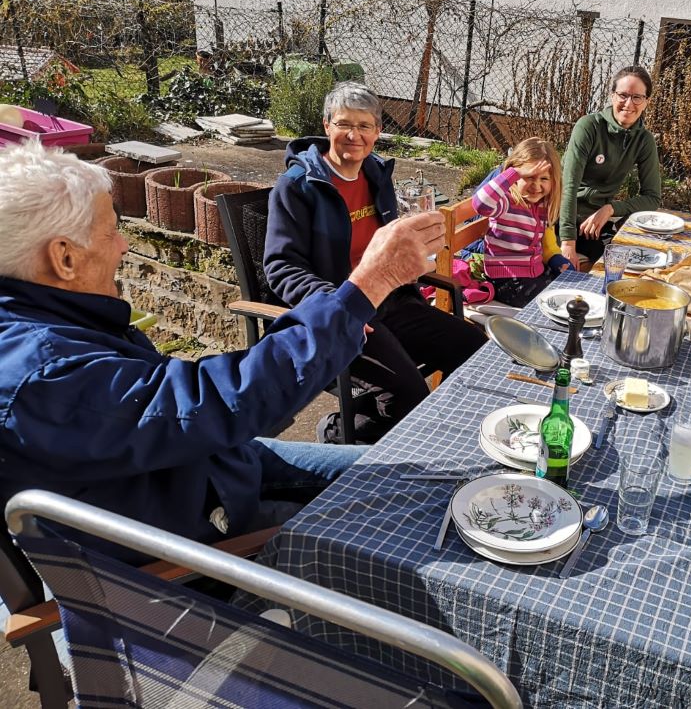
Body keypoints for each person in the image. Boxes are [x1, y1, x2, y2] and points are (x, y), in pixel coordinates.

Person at [0, 141, 443, 555]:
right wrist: (368, 285)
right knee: (394, 531)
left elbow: (176, 405)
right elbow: (212, 402)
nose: (124, 245)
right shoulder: (43, 374)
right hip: (205, 526)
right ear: (64, 257)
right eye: (112, 231)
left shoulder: (42, 319)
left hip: (211, 464)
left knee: (412, 478)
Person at [264, 82, 486, 442]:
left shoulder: (376, 175)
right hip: (343, 316)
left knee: (475, 349)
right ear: (326, 127)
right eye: (343, 124)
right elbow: (280, 266)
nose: (354, 135)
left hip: (392, 302)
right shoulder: (297, 186)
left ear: (378, 132)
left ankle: (430, 432)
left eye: (364, 126)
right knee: (410, 394)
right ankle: (338, 433)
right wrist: (338, 307)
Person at [558, 65, 662, 268]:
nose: (629, 104)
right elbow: (568, 185)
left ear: (646, 102)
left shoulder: (644, 140)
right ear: (612, 96)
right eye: (623, 95)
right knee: (574, 268)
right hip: (561, 216)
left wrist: (611, 208)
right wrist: (568, 241)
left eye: (637, 97)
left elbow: (652, 197)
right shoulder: (588, 127)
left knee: (632, 263)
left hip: (595, 222)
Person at [470, 137, 573, 308]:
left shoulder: (542, 206)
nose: (536, 185)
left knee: (570, 289)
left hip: (534, 274)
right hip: (505, 280)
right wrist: (514, 172)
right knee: (555, 304)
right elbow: (480, 203)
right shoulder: (505, 202)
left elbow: (546, 245)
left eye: (544, 179)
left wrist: (555, 260)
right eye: (529, 177)